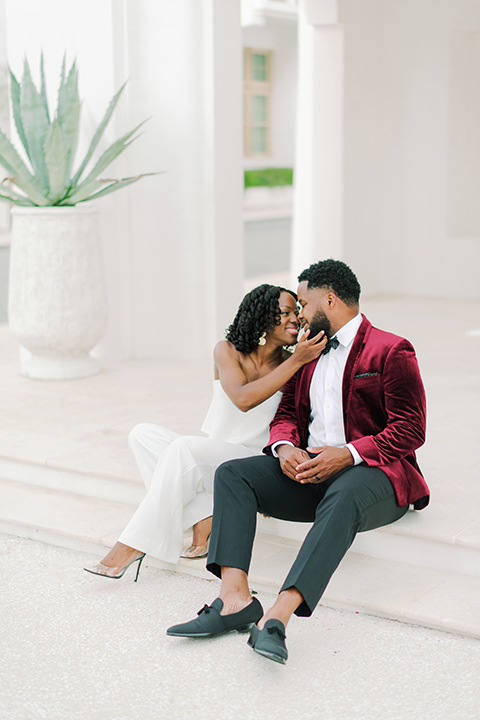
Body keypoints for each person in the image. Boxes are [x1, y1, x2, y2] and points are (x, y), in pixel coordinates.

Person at [166, 259, 429, 665]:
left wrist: (349, 454)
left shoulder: (391, 349)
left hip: (375, 478)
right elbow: (286, 413)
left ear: (329, 299)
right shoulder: (308, 352)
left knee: (346, 490)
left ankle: (277, 617)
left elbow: (411, 428)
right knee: (233, 473)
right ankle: (234, 600)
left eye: (303, 303)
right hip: (311, 474)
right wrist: (285, 448)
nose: (300, 314)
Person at [84, 284, 326, 580]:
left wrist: (297, 359)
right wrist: (296, 358)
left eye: (296, 313)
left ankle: (132, 545)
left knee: (183, 449)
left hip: (252, 461)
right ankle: (203, 514)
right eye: (286, 312)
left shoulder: (295, 363)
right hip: (215, 451)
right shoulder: (228, 350)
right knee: (142, 434)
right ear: (263, 316)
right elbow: (242, 398)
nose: (295, 319)